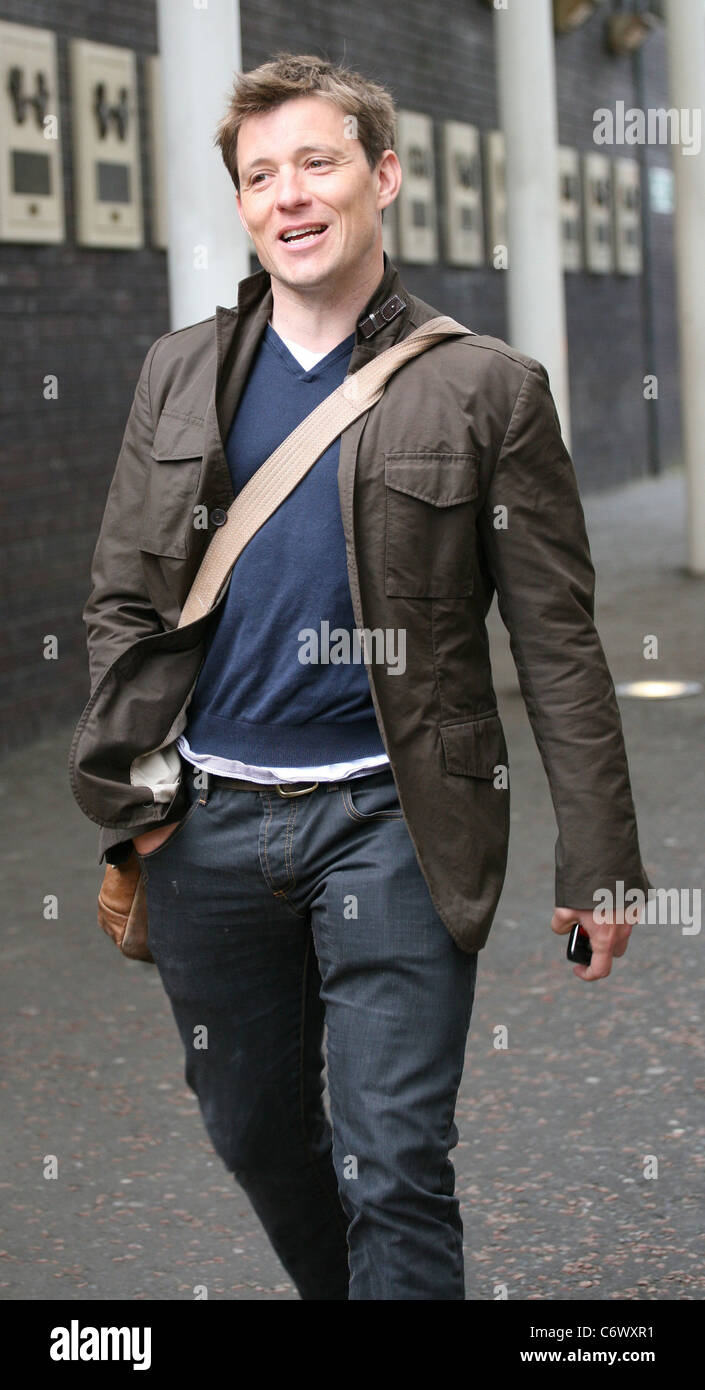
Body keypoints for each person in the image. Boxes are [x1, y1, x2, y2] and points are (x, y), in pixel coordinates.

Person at [69, 52, 652, 1300]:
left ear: (382, 176)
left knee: (395, 1161)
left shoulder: (488, 388)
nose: (291, 195)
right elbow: (123, 598)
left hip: (392, 822)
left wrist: (600, 856)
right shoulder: (180, 371)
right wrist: (140, 806)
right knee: (253, 1131)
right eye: (261, 173)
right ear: (242, 201)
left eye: (318, 162)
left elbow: (557, 641)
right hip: (208, 826)